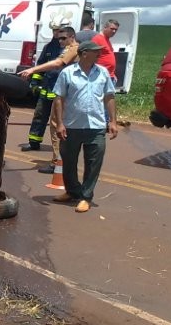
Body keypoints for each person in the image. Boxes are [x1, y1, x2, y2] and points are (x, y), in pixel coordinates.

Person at [51, 41, 118, 213]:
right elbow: (58, 99)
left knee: (93, 163)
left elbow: (109, 97)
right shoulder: (68, 73)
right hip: (72, 125)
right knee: (69, 162)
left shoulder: (102, 73)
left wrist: (112, 121)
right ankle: (72, 191)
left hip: (96, 126)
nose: (99, 55)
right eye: (96, 52)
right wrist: (59, 123)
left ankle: (86, 197)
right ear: (84, 53)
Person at [22, 20, 67, 155]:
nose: (55, 33)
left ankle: (59, 150)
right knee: (39, 116)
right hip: (46, 88)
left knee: (57, 122)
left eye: (58, 30)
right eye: (53, 30)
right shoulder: (48, 47)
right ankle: (34, 142)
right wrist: (35, 83)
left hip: (59, 92)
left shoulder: (67, 48)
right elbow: (40, 66)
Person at [92, 19, 120, 83]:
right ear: (105, 27)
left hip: (110, 76)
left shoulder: (107, 39)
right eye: (112, 28)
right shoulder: (97, 39)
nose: (114, 31)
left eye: (116, 29)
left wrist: (113, 75)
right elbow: (91, 57)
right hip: (101, 76)